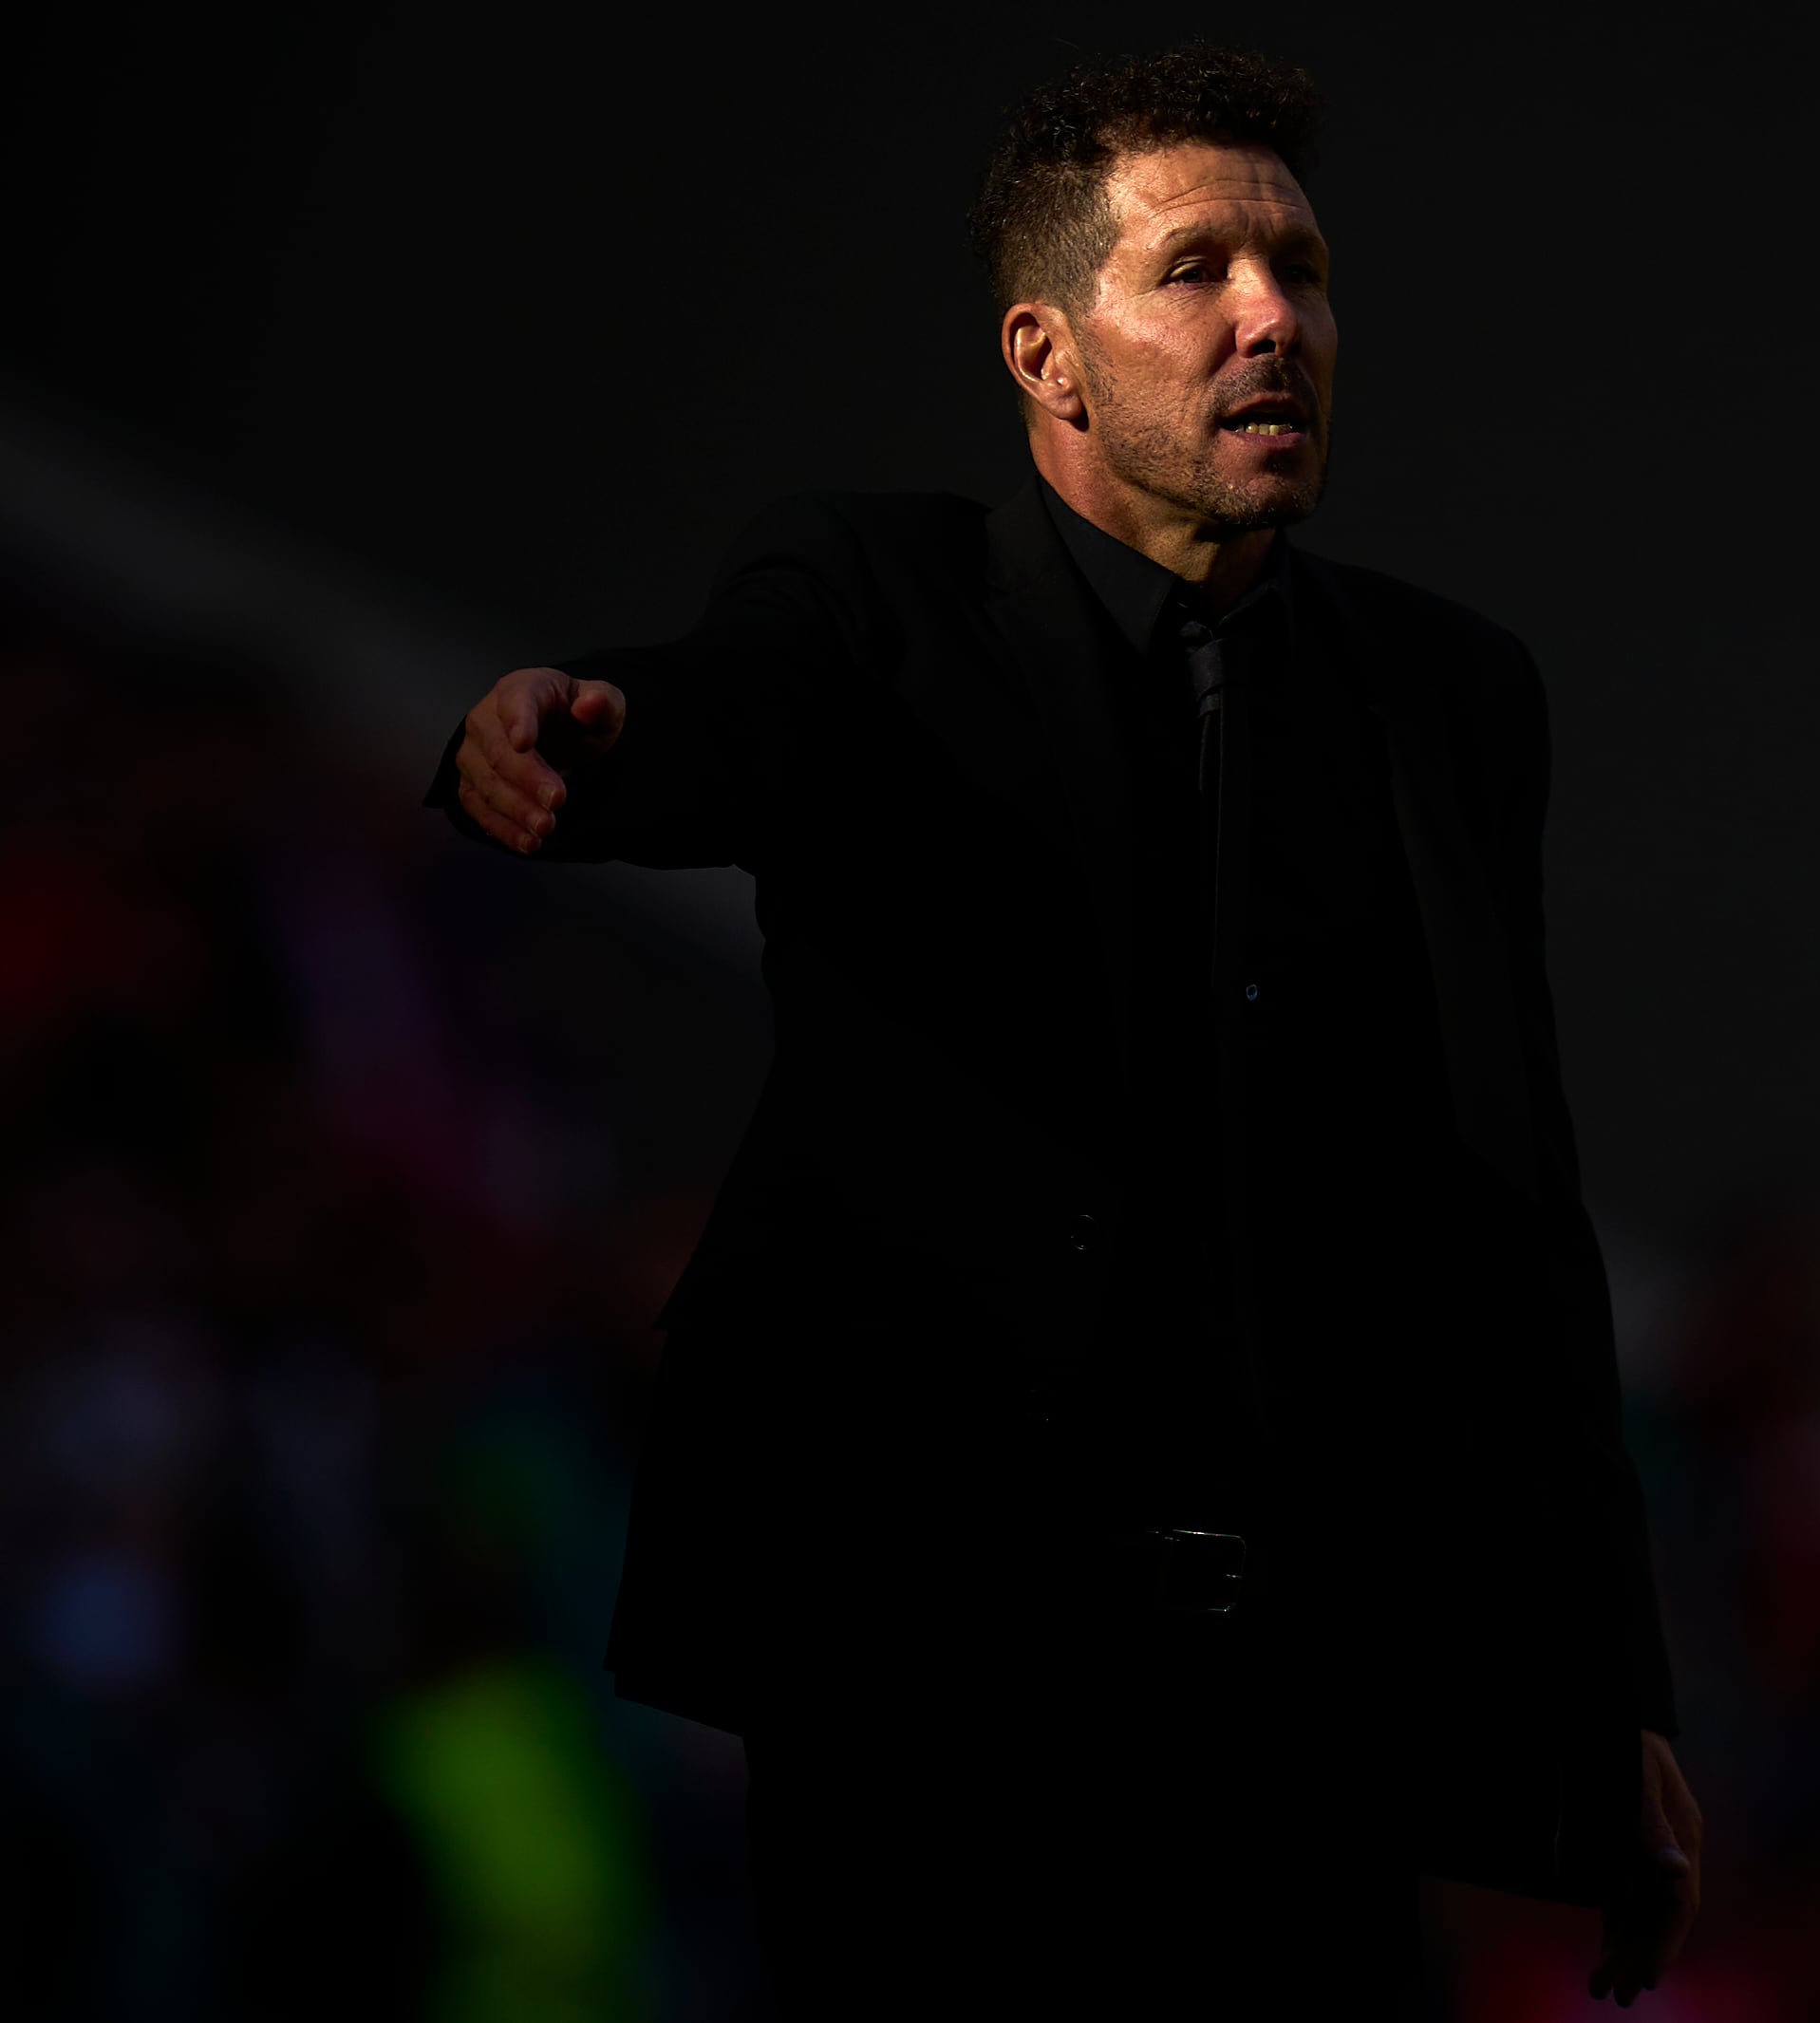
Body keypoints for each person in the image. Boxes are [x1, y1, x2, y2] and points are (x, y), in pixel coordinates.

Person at [424, 46, 1698, 2015]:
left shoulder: (1451, 698)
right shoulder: (876, 596)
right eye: (1198, 270)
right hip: (929, 1672)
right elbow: (714, 716)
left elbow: (1514, 1225)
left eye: (1301, 268)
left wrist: (1606, 1695)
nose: (1273, 314)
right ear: (1048, 350)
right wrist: (568, 734)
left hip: (1304, 1709)